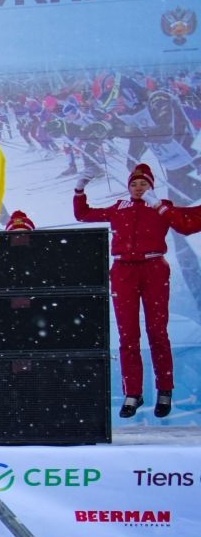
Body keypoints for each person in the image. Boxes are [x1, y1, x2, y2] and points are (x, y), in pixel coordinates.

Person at [74, 162, 201, 418]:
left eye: (143, 183)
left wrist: (158, 205)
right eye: (134, 183)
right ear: (128, 187)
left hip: (153, 267)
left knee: (157, 331)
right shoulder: (120, 207)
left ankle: (165, 389)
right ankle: (133, 393)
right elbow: (84, 214)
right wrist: (80, 188)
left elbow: (185, 225)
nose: (138, 187)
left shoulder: (161, 206)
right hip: (124, 271)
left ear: (151, 186)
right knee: (127, 334)